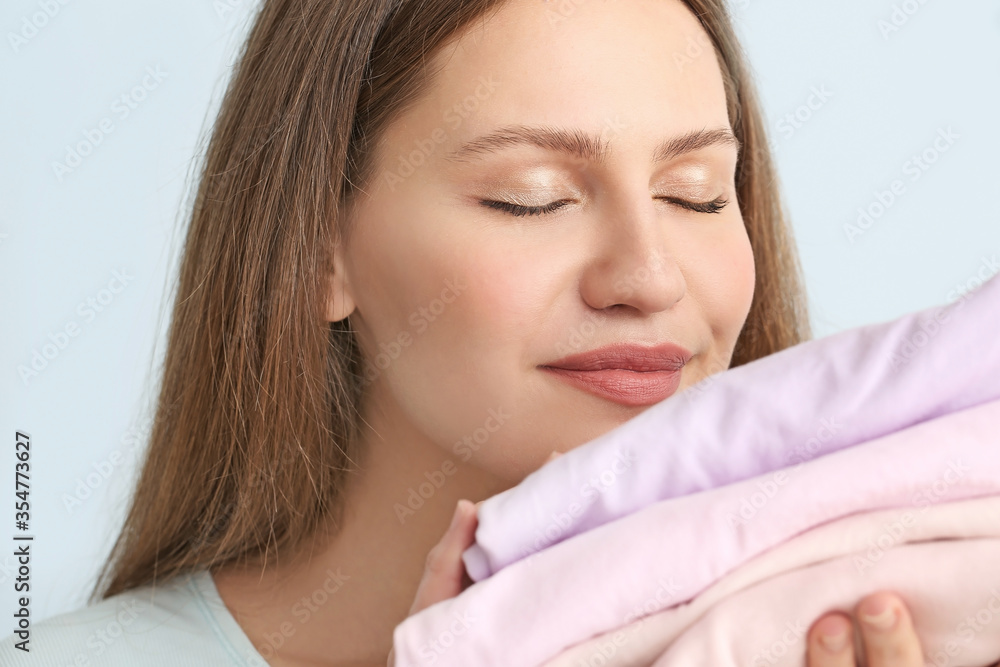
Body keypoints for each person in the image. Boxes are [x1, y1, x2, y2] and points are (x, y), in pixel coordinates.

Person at [0, 0, 931, 665]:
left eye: (697, 194)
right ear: (321, 248)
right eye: (532, 199)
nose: (647, 278)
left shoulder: (895, 623)